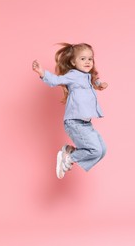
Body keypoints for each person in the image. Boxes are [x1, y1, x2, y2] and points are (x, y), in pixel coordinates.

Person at [32, 43, 108, 179]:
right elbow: (56, 80)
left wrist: (99, 85)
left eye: (90, 59)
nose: (88, 62)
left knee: (102, 150)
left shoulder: (88, 76)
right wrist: (42, 73)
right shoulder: (73, 75)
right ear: (73, 62)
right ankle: (69, 157)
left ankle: (69, 151)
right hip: (75, 122)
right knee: (95, 150)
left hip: (85, 123)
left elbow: (94, 79)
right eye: (83, 59)